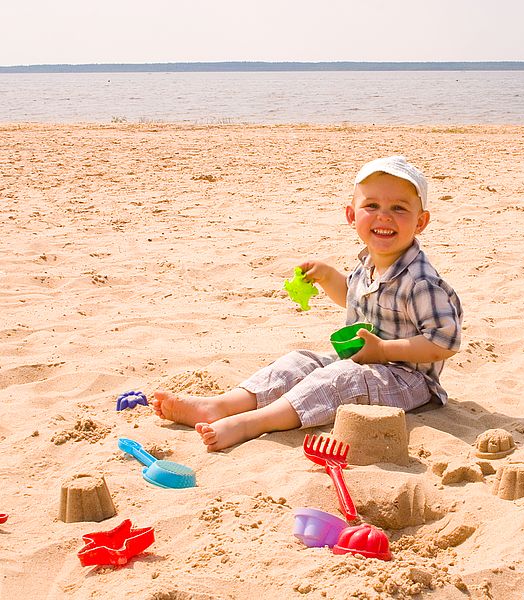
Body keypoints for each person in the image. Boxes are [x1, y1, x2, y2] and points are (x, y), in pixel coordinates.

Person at [151, 156, 463, 451]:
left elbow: (443, 342)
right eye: (372, 205)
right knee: (300, 362)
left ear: (421, 222)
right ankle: (220, 406)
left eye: (398, 208)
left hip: (409, 380)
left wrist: (383, 351)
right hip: (366, 361)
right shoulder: (369, 261)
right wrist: (329, 277)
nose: (384, 216)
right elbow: (354, 299)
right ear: (352, 215)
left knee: (337, 380)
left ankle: (251, 423)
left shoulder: (421, 282)